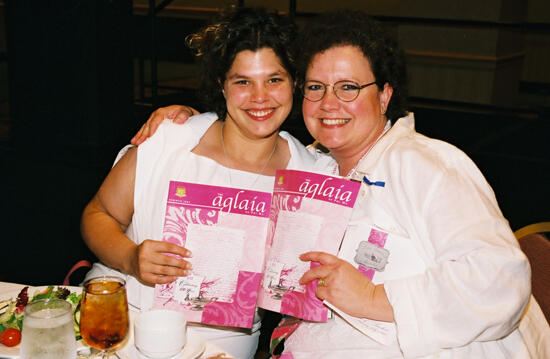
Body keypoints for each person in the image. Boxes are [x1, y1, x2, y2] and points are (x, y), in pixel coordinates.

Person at [134, 10, 550, 358]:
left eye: (348, 87)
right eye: (316, 88)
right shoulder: (317, 173)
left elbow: (500, 278)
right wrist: (187, 118)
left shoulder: (423, 164)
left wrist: (372, 299)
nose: (329, 103)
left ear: (385, 95)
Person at [80, 7, 331, 358]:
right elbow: (99, 213)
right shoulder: (170, 142)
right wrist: (131, 258)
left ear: (295, 82)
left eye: (274, 80)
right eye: (242, 81)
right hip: (123, 320)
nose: (260, 97)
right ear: (221, 85)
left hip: (222, 342)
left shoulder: (313, 178)